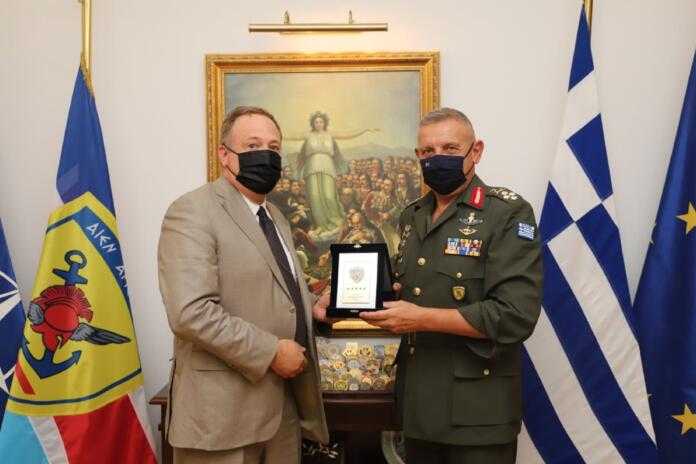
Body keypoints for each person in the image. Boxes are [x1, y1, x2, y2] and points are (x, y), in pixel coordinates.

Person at [315, 107, 542, 463]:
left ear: (476, 151)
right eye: (427, 151)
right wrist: (343, 297)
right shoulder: (413, 214)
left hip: (478, 414)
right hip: (418, 408)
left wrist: (420, 318)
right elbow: (404, 288)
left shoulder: (506, 213)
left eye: (450, 149)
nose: (437, 158)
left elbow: (515, 316)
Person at [158, 106, 328, 464]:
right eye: (252, 146)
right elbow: (191, 313)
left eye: (273, 147)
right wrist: (272, 352)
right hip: (222, 420)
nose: (265, 155)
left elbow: (273, 287)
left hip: (282, 413)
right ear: (224, 154)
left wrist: (312, 303)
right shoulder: (192, 211)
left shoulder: (275, 215)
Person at [288, 111, 378, 236]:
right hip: (312, 168)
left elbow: (347, 134)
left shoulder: (330, 134)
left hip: (327, 167)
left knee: (329, 196)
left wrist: (365, 129)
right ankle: (320, 225)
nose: (318, 124)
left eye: (321, 121)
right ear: (313, 123)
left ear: (324, 123)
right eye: (316, 122)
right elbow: (292, 135)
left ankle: (336, 223)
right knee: (315, 197)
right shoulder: (308, 135)